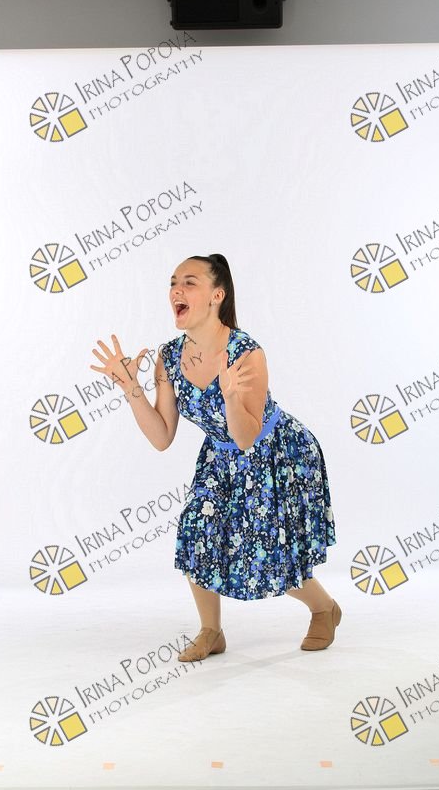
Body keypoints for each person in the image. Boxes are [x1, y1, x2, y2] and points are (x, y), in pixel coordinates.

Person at [90, 253, 340, 662]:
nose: (177, 290)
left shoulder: (247, 352)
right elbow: (162, 437)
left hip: (275, 453)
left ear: (216, 295)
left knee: (269, 553)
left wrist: (229, 396)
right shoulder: (169, 357)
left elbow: (247, 436)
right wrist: (130, 387)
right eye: (173, 283)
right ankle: (211, 631)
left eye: (189, 282)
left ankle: (323, 609)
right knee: (196, 532)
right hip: (219, 458)